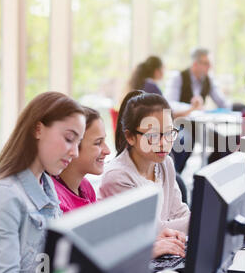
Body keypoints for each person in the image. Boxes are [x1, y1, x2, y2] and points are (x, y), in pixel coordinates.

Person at [0, 92, 87, 273]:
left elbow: (49, 268)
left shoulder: (47, 187)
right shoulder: (4, 195)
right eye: (69, 138)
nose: (74, 152)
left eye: (78, 143)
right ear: (38, 129)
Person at [53, 106, 186, 258]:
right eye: (98, 143)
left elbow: (102, 243)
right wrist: (144, 251)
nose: (108, 150)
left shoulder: (85, 187)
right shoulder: (56, 203)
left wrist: (151, 241)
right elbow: (82, 260)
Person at [100, 91, 190, 236]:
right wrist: (199, 221)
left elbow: (179, 212)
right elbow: (149, 230)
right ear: (130, 137)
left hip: (163, 249)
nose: (163, 143)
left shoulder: (165, 163)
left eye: (168, 133)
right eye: (153, 135)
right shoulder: (117, 177)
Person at [128, 56, 202, 118]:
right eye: (163, 68)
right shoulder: (152, 88)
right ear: (157, 71)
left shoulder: (143, 84)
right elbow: (169, 115)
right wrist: (193, 108)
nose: (164, 72)